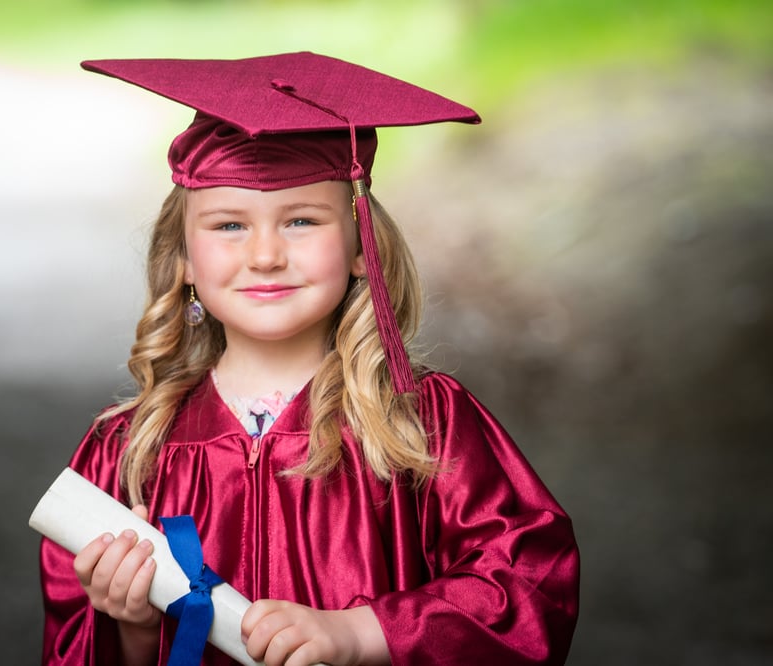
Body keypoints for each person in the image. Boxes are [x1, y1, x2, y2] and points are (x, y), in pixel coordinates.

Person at [39, 52, 579, 666]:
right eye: (228, 225)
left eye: (300, 220)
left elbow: (529, 585)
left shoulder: (422, 422)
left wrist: (361, 633)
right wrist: (131, 627)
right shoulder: (127, 449)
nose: (266, 255)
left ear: (360, 248)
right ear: (183, 258)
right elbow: (72, 645)